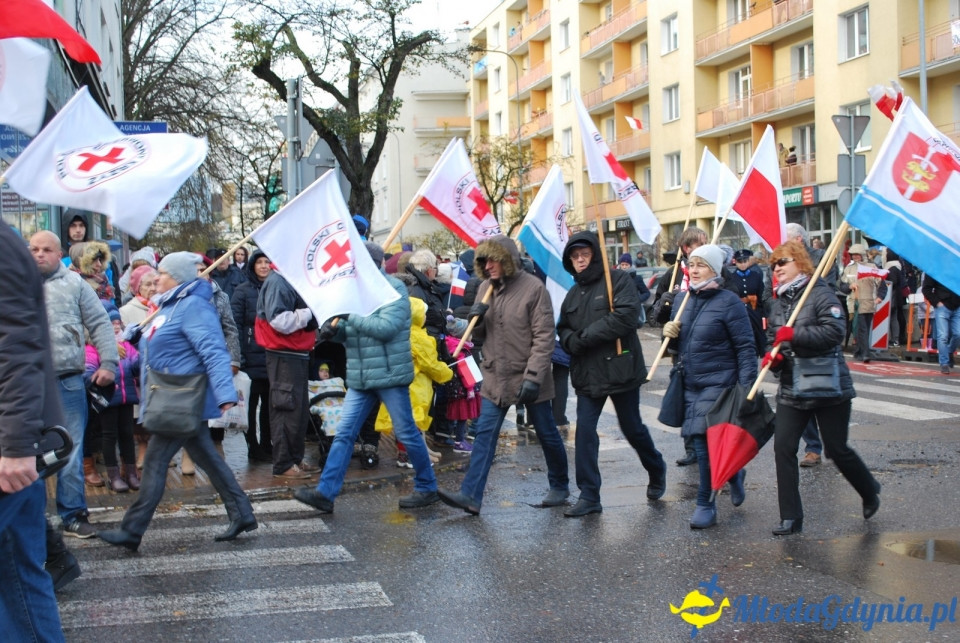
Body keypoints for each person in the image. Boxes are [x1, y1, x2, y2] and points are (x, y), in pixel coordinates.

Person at [99, 252, 257, 550]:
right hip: (174, 396)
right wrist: (135, 338)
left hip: (181, 397)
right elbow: (158, 347)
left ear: (179, 278)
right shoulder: (169, 306)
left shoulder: (194, 307)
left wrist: (225, 393)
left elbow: (213, 350)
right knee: (207, 458)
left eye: (163, 273)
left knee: (157, 461)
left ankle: (132, 530)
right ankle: (242, 512)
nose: (156, 277)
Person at [294, 242, 443, 514]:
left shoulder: (394, 290)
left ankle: (427, 487)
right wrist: (333, 332)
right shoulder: (354, 293)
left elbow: (385, 329)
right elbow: (351, 333)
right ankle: (325, 494)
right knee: (344, 434)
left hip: (389, 375)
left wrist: (350, 316)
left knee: (408, 433)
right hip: (361, 378)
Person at [437, 235, 570, 515]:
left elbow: (544, 336)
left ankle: (559, 485)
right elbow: (483, 335)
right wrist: (477, 318)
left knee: (546, 432)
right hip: (496, 376)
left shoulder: (534, 289)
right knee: (484, 435)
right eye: (484, 260)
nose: (489, 265)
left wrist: (534, 376)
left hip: (527, 377)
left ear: (508, 260)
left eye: (494, 259)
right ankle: (470, 495)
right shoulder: (485, 287)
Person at [765, 241, 881, 535]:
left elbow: (834, 332)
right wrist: (773, 359)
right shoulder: (777, 302)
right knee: (783, 448)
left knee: (836, 449)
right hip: (793, 387)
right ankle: (791, 517)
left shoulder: (820, 293)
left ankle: (869, 490)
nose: (777, 268)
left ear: (801, 263)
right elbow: (772, 339)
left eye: (783, 262)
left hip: (827, 384)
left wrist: (795, 334)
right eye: (773, 265)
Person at [558, 232, 666, 517]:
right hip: (587, 373)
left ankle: (656, 467)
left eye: (585, 254)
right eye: (574, 256)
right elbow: (564, 327)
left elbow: (626, 317)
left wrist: (583, 338)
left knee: (632, 428)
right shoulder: (572, 293)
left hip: (620, 367)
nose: (580, 260)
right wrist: (571, 340)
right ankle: (589, 494)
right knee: (584, 432)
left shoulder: (618, 280)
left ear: (595, 254)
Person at [0, 222, 68, 640]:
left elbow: (17, 348)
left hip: (11, 445)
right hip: (15, 441)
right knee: (20, 577)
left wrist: (17, 445)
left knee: (20, 575)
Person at [29, 231, 118, 539]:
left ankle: (73, 514)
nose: (39, 254)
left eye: (46, 249)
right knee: (27, 450)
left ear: (59, 254)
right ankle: (32, 518)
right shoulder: (14, 282)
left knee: (71, 447)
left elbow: (100, 323)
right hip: (25, 382)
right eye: (34, 249)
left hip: (66, 379)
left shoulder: (75, 283)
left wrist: (109, 363)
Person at [661, 244, 756, 529]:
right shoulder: (682, 301)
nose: (694, 269)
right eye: (691, 264)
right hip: (690, 383)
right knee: (699, 442)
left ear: (715, 269)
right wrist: (670, 336)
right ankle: (734, 472)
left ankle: (706, 503)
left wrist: (746, 390)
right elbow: (680, 345)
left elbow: (745, 348)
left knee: (701, 443)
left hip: (719, 382)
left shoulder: (729, 302)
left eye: (701, 264)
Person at [256, 266, 319, 479]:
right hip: (284, 353)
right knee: (285, 408)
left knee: (298, 411)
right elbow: (279, 320)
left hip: (296, 351)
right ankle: (283, 464)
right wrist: (312, 311)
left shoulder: (289, 277)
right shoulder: (278, 281)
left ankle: (295, 458)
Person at [653, 226, 707, 467]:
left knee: (706, 397)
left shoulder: (712, 269)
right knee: (685, 396)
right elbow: (654, 313)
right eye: (700, 244)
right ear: (686, 248)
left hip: (707, 344)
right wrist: (666, 305)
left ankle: (710, 443)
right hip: (680, 346)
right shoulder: (673, 274)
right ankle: (692, 447)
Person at [85, 302, 140, 492]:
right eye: (111, 323)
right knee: (109, 436)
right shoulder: (93, 348)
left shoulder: (126, 345)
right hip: (108, 398)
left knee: (127, 434)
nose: (116, 326)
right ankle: (114, 475)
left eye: (118, 322)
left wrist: (139, 343)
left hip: (126, 397)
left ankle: (131, 473)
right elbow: (89, 371)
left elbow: (136, 366)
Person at [231, 249, 273, 461]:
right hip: (250, 353)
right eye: (260, 262)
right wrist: (238, 355)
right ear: (253, 265)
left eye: (267, 262)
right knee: (250, 403)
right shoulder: (242, 291)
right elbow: (234, 325)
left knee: (269, 404)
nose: (264, 266)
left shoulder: (275, 287)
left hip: (271, 354)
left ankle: (267, 443)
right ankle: (252, 445)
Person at [840, 243, 887, 363]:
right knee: (860, 329)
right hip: (854, 303)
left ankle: (861, 352)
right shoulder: (848, 268)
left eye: (857, 254)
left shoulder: (872, 267)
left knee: (864, 328)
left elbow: (882, 283)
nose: (855, 257)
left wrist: (880, 297)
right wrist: (850, 286)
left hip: (869, 303)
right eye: (853, 255)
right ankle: (864, 353)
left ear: (862, 255)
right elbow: (842, 286)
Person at [726, 249, 767, 356]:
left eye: (745, 261)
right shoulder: (732, 278)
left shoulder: (755, 276)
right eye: (740, 261)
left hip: (754, 311)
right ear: (736, 262)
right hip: (738, 312)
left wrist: (762, 313)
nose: (743, 264)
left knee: (757, 336)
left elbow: (761, 295)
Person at [921, 275, 960, 374]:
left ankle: (949, 352)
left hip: (956, 305)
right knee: (943, 336)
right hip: (943, 305)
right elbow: (926, 288)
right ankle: (944, 363)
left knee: (957, 334)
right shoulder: (936, 267)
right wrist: (937, 302)